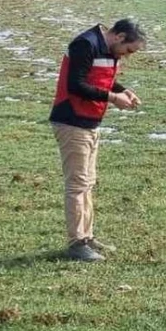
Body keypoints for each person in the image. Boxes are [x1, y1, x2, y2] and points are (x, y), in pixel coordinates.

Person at [49, 19, 146, 262]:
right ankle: (76, 243)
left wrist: (122, 90)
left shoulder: (107, 49)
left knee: (88, 182)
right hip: (72, 122)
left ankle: (87, 237)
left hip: (90, 122)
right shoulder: (85, 44)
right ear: (120, 37)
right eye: (129, 50)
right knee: (77, 185)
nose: (127, 56)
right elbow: (76, 85)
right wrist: (113, 98)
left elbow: (100, 79)